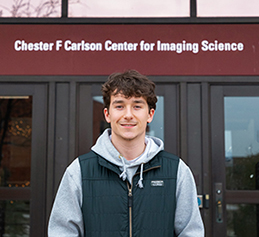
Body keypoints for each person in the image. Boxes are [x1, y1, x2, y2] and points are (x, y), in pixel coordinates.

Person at [48, 69, 204, 237]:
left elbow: (191, 233)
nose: (128, 115)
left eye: (137, 106)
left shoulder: (177, 170)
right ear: (107, 114)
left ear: (150, 114)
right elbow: (62, 232)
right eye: (120, 106)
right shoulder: (79, 171)